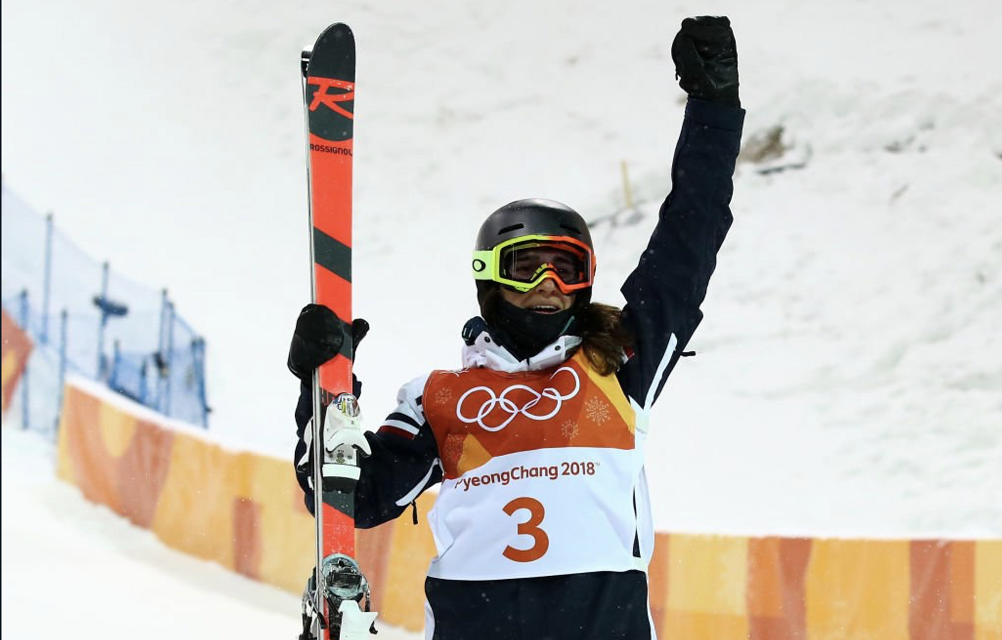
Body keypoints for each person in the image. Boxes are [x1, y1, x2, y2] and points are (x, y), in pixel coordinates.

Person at [288, 16, 744, 640]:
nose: (548, 284)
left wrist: (713, 111)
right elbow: (352, 502)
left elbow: (689, 238)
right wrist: (318, 391)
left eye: (567, 267)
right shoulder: (437, 397)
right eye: (526, 266)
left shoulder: (619, 363)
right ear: (488, 278)